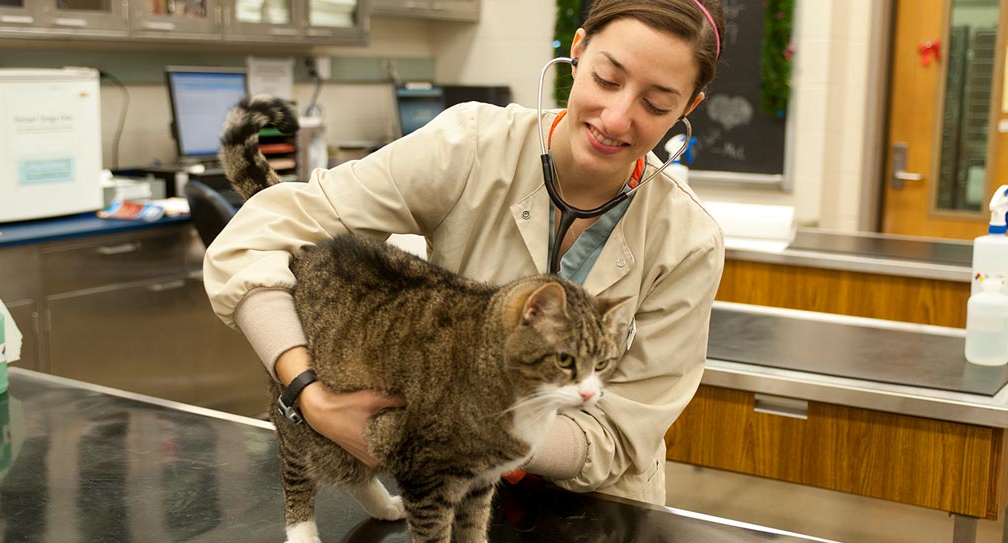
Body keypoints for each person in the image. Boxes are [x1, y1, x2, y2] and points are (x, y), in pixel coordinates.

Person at [204, 0, 726, 505]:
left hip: (597, 511)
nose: (616, 119)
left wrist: (469, 429)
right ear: (578, 50)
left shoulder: (687, 241)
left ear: (689, 107)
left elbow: (616, 433)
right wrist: (310, 396)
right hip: (444, 496)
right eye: (607, 79)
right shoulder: (471, 145)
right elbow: (254, 236)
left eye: (656, 104)